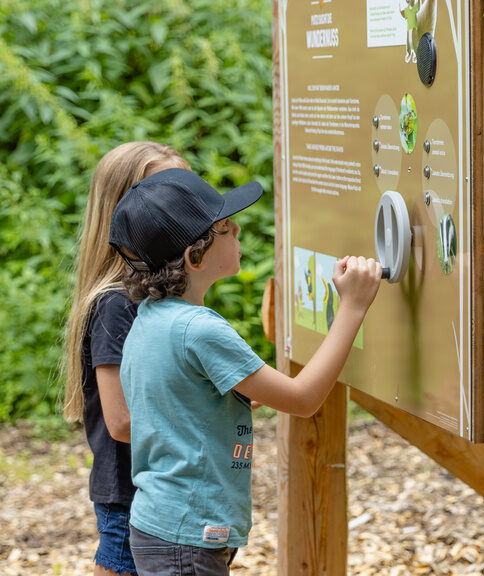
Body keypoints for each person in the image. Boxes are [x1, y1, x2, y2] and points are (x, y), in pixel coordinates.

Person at [108, 168, 381, 575]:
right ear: (193, 256)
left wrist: (218, 398)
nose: (238, 228)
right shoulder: (200, 330)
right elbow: (304, 398)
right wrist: (353, 306)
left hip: (164, 524)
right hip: (188, 535)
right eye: (224, 226)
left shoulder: (150, 317)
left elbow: (173, 396)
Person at [62, 143, 190, 576]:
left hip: (164, 491)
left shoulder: (162, 293)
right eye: (164, 192)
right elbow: (121, 421)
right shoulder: (117, 302)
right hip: (132, 497)